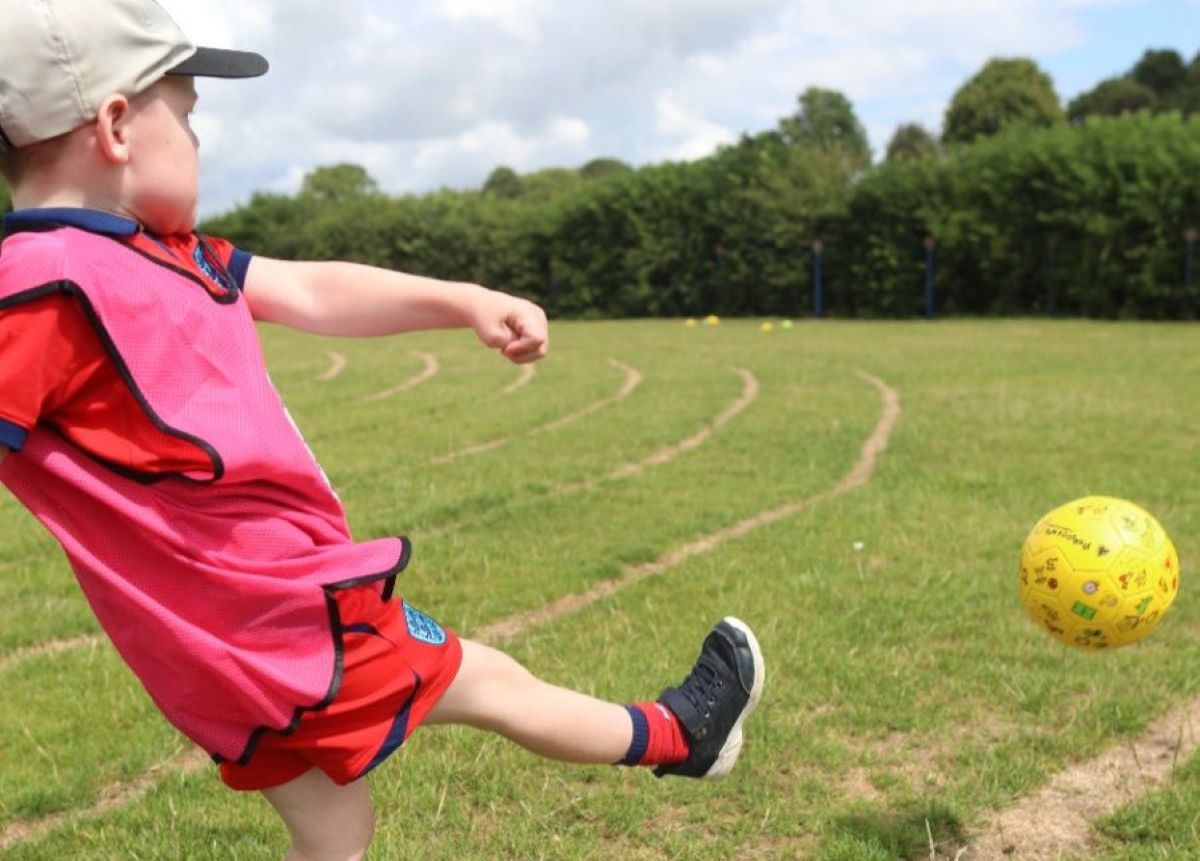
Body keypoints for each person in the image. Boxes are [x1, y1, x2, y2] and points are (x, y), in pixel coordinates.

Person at [0, 2, 765, 859]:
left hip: (226, 645)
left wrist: (463, 301)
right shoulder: (46, 280)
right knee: (491, 681)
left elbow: (314, 291)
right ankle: (682, 735)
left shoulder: (171, 254)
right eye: (186, 117)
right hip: (285, 618)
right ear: (113, 125)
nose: (198, 140)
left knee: (335, 830)